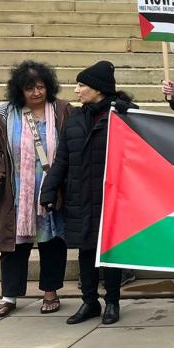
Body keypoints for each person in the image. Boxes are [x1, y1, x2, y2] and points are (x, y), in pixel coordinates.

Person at [39, 61, 136, 325]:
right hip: (80, 196)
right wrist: (48, 190)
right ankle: (89, 302)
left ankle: (112, 302)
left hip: (112, 197)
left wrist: (132, 114)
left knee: (111, 253)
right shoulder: (74, 121)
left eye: (82, 85)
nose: (77, 90)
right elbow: (62, 160)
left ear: (98, 89)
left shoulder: (123, 117)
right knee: (85, 251)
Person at [0, 62, 72, 317]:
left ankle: (50, 291)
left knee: (52, 242)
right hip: (15, 193)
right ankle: (9, 295)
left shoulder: (61, 110)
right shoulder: (1, 115)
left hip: (52, 189)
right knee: (13, 245)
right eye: (29, 88)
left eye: (41, 86)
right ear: (18, 91)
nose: (36, 93)